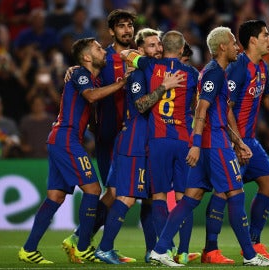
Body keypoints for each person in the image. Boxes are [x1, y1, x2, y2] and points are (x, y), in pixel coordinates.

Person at [146, 26, 269, 267]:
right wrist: (196, 145)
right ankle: (250, 255)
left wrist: (238, 142)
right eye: (233, 43)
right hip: (213, 144)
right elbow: (201, 110)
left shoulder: (220, 73)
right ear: (222, 47)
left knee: (190, 198)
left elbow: (219, 112)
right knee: (236, 194)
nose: (238, 47)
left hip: (214, 141)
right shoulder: (214, 73)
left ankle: (159, 249)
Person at [18, 37, 129, 264]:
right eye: (98, 48)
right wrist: (120, 84)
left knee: (56, 196)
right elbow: (89, 96)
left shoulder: (92, 80)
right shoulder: (81, 74)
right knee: (93, 188)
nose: (103, 50)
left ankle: (28, 249)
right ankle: (82, 247)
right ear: (87, 57)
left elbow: (89, 109)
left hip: (63, 139)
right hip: (66, 139)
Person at [202, 19, 269, 264]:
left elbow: (267, 98)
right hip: (234, 140)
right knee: (225, 193)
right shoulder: (238, 67)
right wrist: (236, 143)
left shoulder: (262, 67)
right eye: (266, 35)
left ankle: (255, 241)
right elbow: (227, 107)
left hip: (250, 142)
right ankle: (210, 249)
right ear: (253, 40)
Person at [94, 27, 185, 264]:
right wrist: (164, 87)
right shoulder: (137, 75)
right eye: (152, 45)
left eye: (160, 44)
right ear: (140, 50)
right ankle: (103, 248)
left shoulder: (155, 72)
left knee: (148, 199)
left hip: (147, 144)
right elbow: (142, 105)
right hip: (134, 142)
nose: (158, 49)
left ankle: (154, 250)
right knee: (126, 198)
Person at [121, 30, 201, 265]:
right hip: (183, 141)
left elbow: (127, 53)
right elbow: (198, 106)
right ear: (183, 47)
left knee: (158, 195)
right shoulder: (192, 74)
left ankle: (162, 250)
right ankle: (182, 251)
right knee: (184, 196)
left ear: (163, 48)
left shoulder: (147, 65)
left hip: (157, 140)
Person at [61, 9, 135, 264]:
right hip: (109, 136)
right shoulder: (103, 57)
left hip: (134, 137)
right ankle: (83, 240)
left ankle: (90, 242)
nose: (127, 30)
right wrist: (73, 68)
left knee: (126, 194)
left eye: (129, 26)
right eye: (121, 26)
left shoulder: (138, 57)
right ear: (112, 31)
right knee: (116, 193)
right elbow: (85, 72)